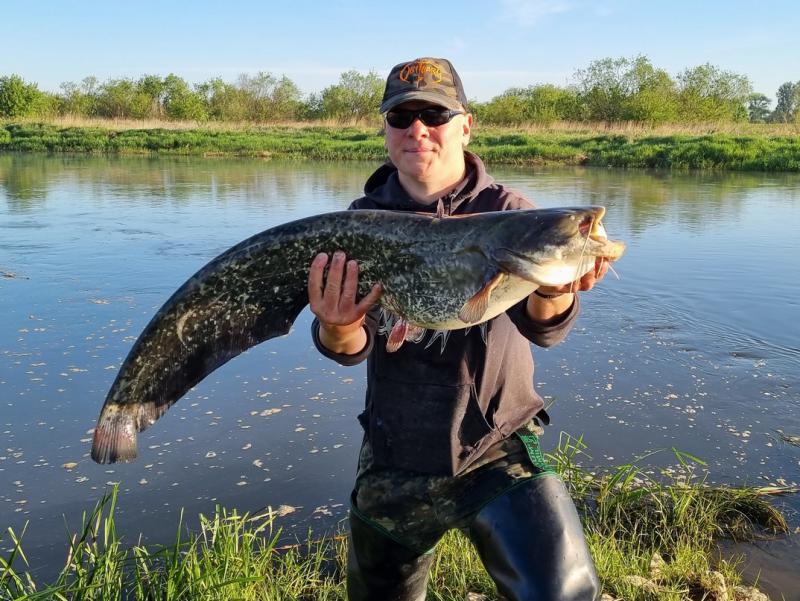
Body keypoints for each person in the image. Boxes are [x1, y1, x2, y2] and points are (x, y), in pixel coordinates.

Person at [307, 57, 606, 601]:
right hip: (395, 448)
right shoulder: (359, 222)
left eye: (435, 115)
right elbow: (348, 348)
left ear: (465, 126)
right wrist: (335, 324)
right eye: (401, 117)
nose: (417, 129)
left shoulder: (511, 212)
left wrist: (555, 290)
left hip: (496, 445)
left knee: (563, 592)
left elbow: (545, 330)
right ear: (386, 131)